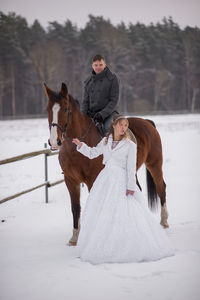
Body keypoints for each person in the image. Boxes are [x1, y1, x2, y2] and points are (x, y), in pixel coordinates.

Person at [72, 115, 174, 264]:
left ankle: (127, 242)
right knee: (103, 210)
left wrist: (130, 186)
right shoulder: (106, 141)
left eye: (126, 125)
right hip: (106, 179)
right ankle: (104, 240)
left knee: (125, 211)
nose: (124, 128)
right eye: (121, 125)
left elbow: (131, 167)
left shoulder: (130, 145)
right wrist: (81, 146)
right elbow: (93, 153)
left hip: (120, 178)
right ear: (114, 126)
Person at [81, 54, 119, 135]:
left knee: (107, 128)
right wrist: (82, 116)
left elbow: (114, 100)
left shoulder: (112, 79)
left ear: (105, 65)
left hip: (109, 114)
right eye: (96, 65)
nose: (98, 67)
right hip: (92, 115)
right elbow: (85, 101)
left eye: (101, 65)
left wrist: (102, 114)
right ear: (92, 66)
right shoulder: (88, 82)